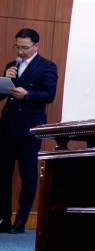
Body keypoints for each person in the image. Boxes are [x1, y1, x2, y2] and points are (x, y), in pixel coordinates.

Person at [0, 28, 58, 233]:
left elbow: (49, 95)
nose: (20, 51)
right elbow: (2, 95)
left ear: (36, 46)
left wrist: (27, 94)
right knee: (3, 174)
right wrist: (4, 79)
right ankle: (3, 218)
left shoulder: (47, 66)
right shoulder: (11, 65)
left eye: (24, 47)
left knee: (28, 175)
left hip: (29, 130)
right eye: (17, 47)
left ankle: (21, 220)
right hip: (7, 128)